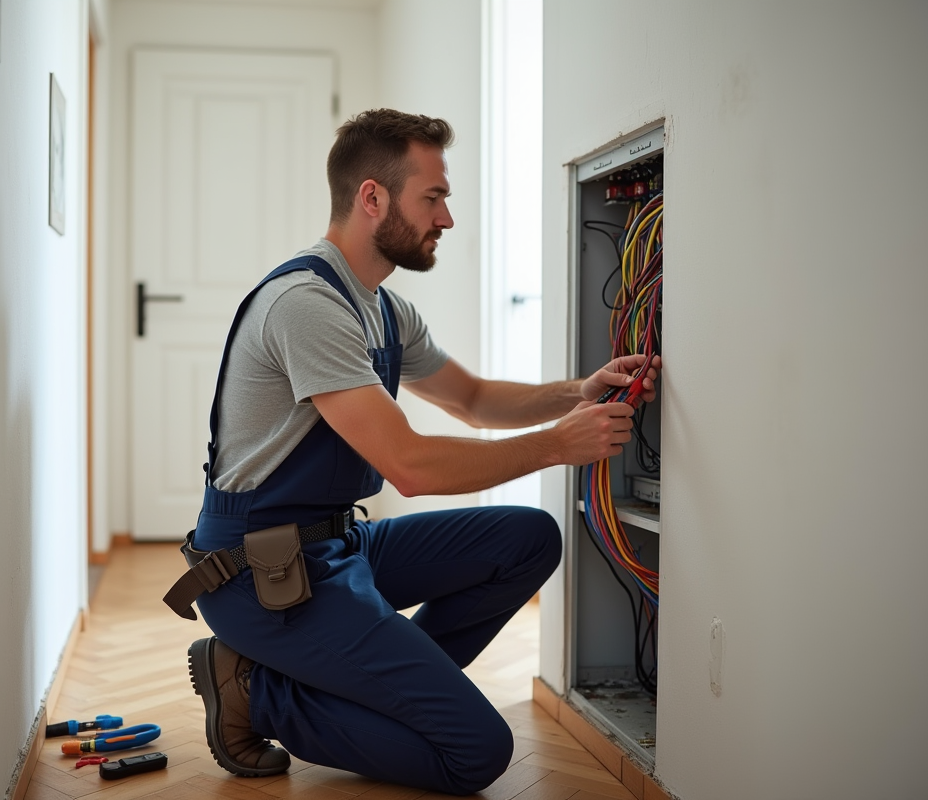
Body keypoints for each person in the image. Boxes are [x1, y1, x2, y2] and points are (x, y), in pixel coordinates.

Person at [164, 109, 659, 794]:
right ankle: (254, 690)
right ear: (373, 198)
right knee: (477, 753)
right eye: (434, 197)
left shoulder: (385, 309)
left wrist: (578, 391)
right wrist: (555, 446)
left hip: (337, 550)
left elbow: (476, 399)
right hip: (263, 574)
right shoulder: (306, 305)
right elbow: (412, 466)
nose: (447, 218)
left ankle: (386, 692)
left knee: (528, 539)